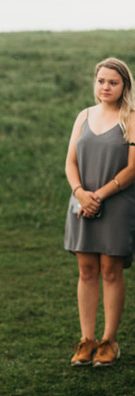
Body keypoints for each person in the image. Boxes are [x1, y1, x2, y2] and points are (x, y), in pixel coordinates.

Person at [64, 57, 135, 367]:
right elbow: (70, 162)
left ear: (124, 86)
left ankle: (109, 342)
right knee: (87, 270)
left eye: (113, 82)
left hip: (117, 203)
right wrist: (81, 194)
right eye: (101, 81)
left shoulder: (131, 118)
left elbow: (134, 168)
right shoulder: (84, 115)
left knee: (110, 270)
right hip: (81, 203)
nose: (105, 87)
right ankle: (87, 340)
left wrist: (100, 195)